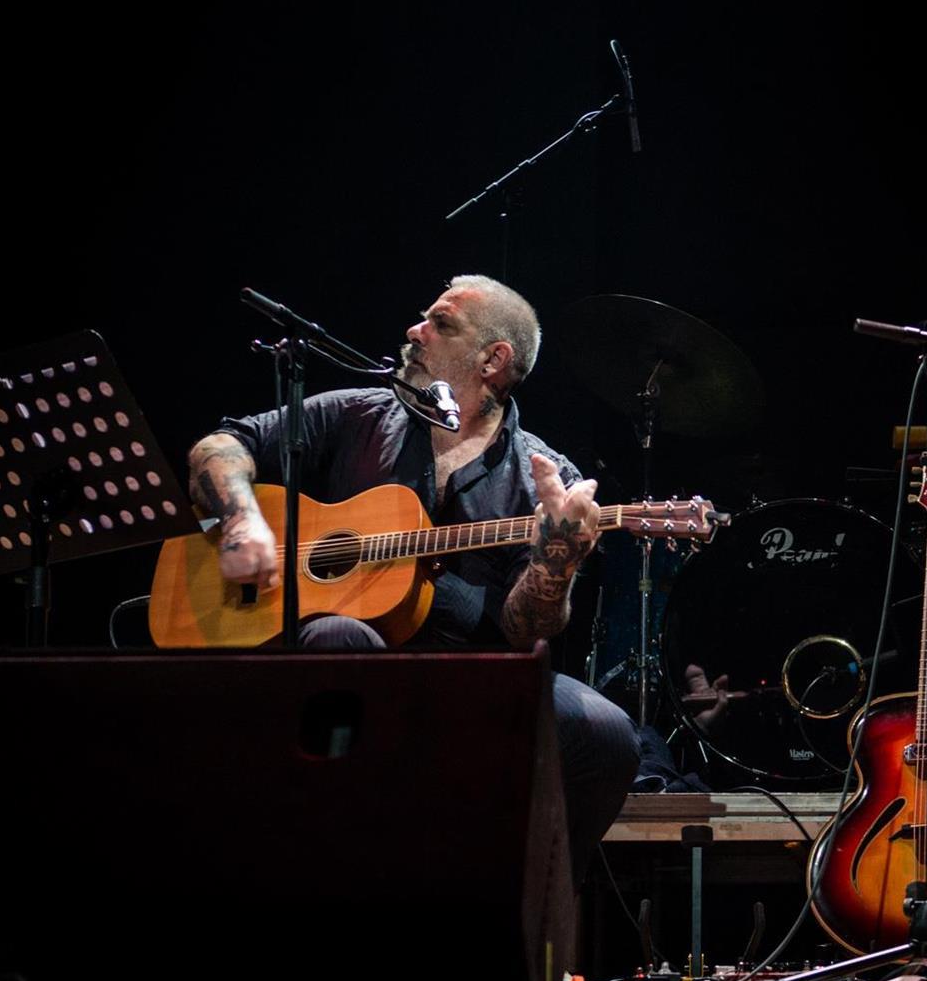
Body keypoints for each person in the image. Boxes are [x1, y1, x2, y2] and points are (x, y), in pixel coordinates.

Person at [185, 274, 638, 871]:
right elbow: (219, 447)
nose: (414, 330)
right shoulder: (358, 414)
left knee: (607, 734)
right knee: (340, 638)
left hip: (474, 674)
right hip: (350, 651)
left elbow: (526, 629)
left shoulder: (543, 475)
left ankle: (523, 906)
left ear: (492, 360)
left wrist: (556, 559)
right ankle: (329, 869)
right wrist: (243, 520)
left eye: (439, 323)